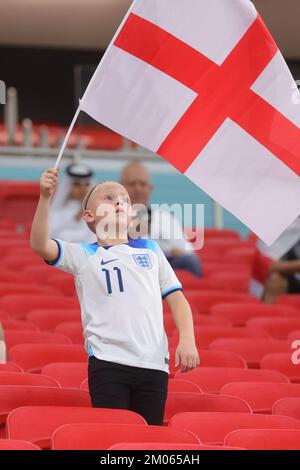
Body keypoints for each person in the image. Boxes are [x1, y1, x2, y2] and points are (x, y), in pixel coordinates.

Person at [30, 167, 199, 426]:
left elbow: (177, 299)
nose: (119, 201)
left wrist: (187, 339)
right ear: (88, 216)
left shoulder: (151, 250)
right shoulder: (83, 254)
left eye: (124, 199)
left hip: (154, 365)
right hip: (108, 362)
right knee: (115, 435)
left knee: (146, 440)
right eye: (108, 198)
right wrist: (44, 198)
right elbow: (40, 244)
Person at [120, 161, 202, 277]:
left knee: (190, 261)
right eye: (132, 184)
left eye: (143, 184)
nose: (138, 189)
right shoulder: (111, 218)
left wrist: (170, 251)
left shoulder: (166, 218)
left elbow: (187, 252)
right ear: (120, 188)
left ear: (150, 188)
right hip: (125, 265)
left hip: (163, 264)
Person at [49, 162, 96, 243]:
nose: (82, 188)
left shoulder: (96, 212)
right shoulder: (57, 211)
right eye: (77, 184)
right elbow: (53, 236)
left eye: (87, 184)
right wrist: (78, 216)